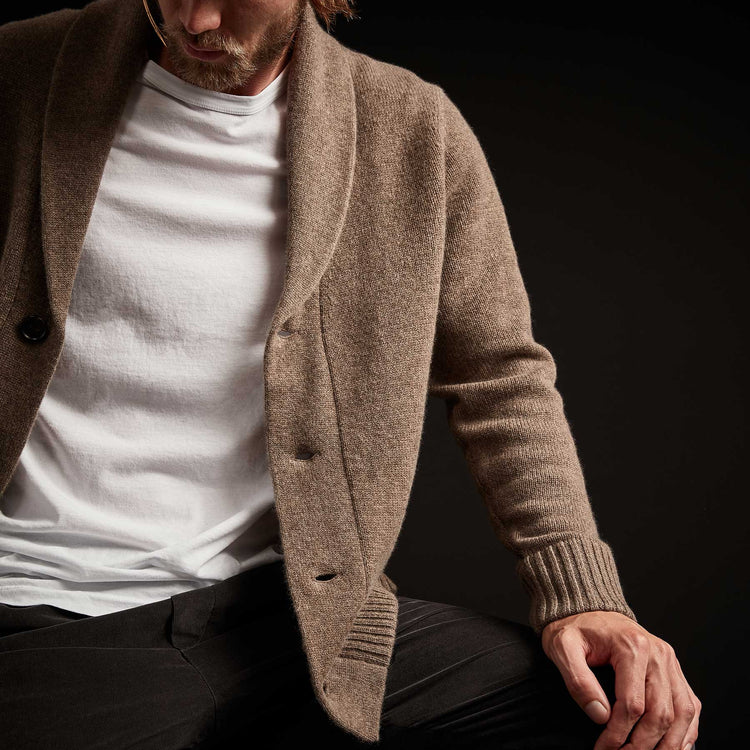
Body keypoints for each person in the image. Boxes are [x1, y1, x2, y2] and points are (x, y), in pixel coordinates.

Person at [0, 0, 701, 748]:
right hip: (55, 614)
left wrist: (584, 596)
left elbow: (500, 377)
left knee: (618, 715)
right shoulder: (21, 75)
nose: (196, 21)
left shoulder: (412, 129)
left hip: (298, 620)